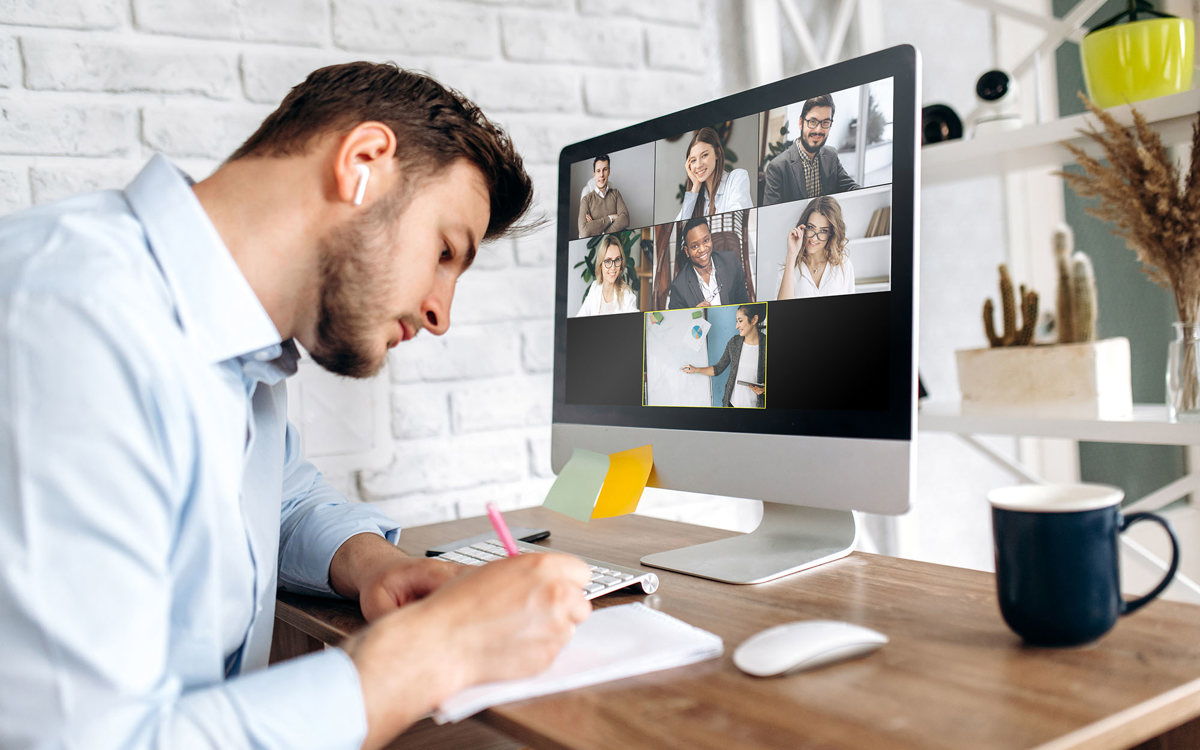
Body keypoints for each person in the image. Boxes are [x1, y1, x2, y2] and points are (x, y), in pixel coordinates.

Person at [0, 62, 593, 750]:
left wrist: (375, 565)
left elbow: (275, 503)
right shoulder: (71, 318)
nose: (440, 313)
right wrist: (439, 650)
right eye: (443, 250)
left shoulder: (235, 352)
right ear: (364, 162)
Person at [762, 94, 860, 206]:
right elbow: (770, 214)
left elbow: (851, 187)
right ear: (801, 122)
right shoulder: (777, 168)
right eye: (813, 122)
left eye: (825, 123)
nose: (818, 130)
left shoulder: (831, 155)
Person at [681, 304, 766, 408]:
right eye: (737, 321)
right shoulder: (734, 342)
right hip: (731, 406)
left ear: (754, 320)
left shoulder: (768, 345)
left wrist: (764, 389)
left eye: (740, 321)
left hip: (756, 409)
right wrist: (695, 369)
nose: (737, 326)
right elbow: (718, 368)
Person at [778, 195, 856, 299]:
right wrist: (791, 255)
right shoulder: (788, 268)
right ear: (803, 227)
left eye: (823, 231)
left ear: (831, 234)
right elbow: (782, 310)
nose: (814, 238)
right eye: (811, 227)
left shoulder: (844, 265)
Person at [668, 216, 751, 309]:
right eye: (695, 246)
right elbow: (677, 321)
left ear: (711, 238)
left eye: (706, 241)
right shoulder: (679, 287)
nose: (702, 249)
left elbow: (745, 304)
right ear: (687, 251)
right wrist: (695, 315)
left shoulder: (731, 262)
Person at [674, 127, 752, 221]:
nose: (698, 165)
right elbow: (678, 230)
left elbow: (738, 221)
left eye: (704, 155)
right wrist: (695, 188)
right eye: (693, 160)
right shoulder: (699, 196)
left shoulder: (737, 177)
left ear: (717, 153)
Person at [577, 234, 639, 315]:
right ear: (601, 265)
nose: (613, 267)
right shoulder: (595, 287)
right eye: (608, 261)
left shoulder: (627, 295)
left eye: (617, 260)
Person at [578, 154, 629, 238]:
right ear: (594, 175)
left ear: (609, 172)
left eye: (604, 170)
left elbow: (625, 219)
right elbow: (584, 231)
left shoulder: (616, 193)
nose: (601, 175)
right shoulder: (586, 199)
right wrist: (611, 218)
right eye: (598, 171)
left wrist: (601, 231)